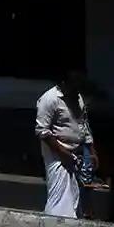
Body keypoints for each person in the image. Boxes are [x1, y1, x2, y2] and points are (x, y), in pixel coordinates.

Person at [35, 70, 93, 218]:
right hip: (56, 152)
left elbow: (83, 124)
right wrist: (62, 153)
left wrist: (91, 150)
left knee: (75, 195)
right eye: (73, 86)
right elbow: (42, 131)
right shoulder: (49, 99)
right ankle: (54, 226)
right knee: (60, 195)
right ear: (64, 84)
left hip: (76, 152)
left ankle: (72, 223)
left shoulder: (77, 97)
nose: (76, 90)